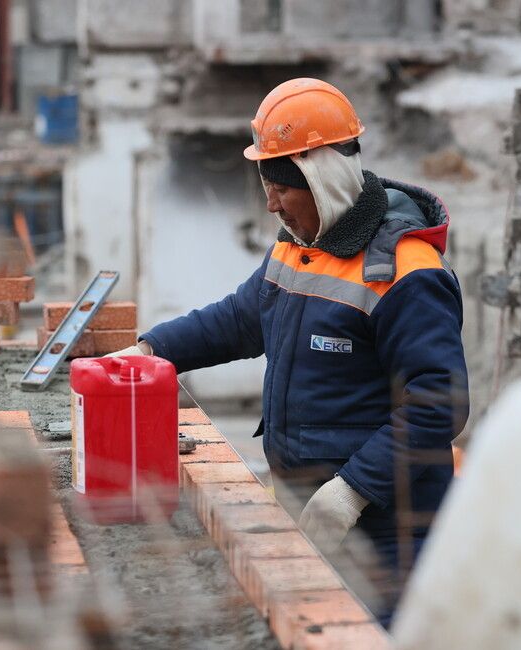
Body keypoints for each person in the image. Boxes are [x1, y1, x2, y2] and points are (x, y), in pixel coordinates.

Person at [111, 77, 468, 624]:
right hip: (314, 512)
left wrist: (352, 490)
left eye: (284, 186)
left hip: (391, 531)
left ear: (323, 175)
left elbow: (438, 402)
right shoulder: (300, 248)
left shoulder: (405, 273)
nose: (272, 203)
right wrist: (152, 349)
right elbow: (239, 320)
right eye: (266, 183)